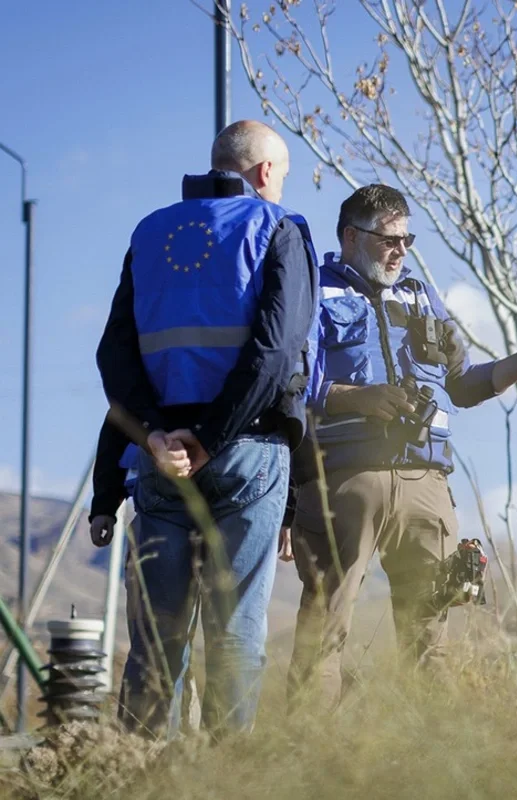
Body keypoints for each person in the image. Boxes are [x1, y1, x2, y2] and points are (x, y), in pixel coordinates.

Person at [286, 183, 517, 707]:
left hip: (427, 486)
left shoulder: (421, 294)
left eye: (407, 239)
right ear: (351, 236)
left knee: (430, 642)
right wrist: (359, 398)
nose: (401, 250)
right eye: (388, 239)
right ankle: (307, 762)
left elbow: (465, 385)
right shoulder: (314, 289)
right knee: (324, 632)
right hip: (343, 481)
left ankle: (431, 764)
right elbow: (293, 381)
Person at [95, 119, 318, 739]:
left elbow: (113, 355)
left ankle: (134, 776)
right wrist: (211, 437)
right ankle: (226, 781)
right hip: (244, 453)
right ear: (266, 173)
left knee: (155, 643)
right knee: (234, 635)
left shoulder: (147, 233)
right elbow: (277, 353)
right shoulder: (280, 227)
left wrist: (158, 437)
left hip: (161, 461)